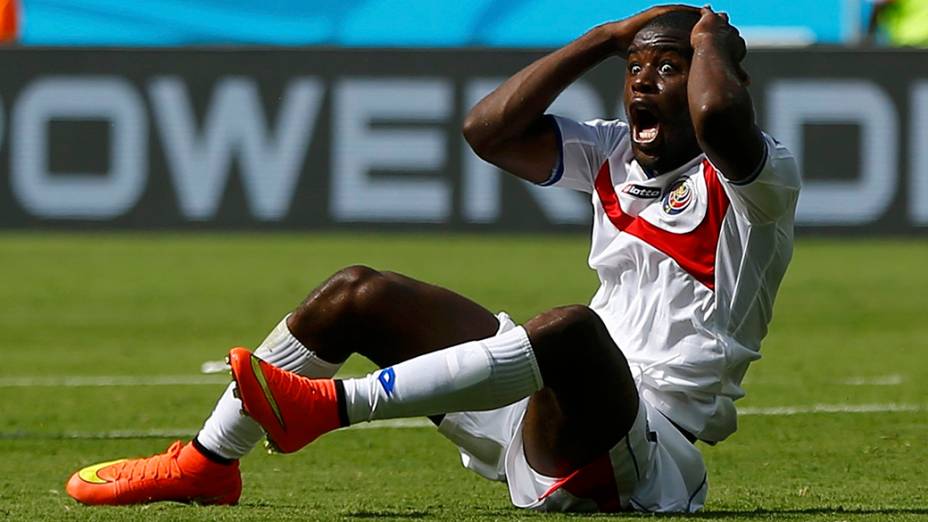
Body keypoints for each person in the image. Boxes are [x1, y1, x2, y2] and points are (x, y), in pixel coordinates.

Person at [65, 4, 800, 513]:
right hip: (536, 413)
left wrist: (709, 44)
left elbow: (718, 117)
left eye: (666, 70)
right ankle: (206, 465)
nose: (642, 82)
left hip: (639, 447)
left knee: (576, 329)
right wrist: (603, 37)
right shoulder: (614, 150)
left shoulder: (756, 182)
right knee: (357, 292)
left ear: (714, 76)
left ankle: (330, 408)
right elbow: (488, 131)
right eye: (635, 69)